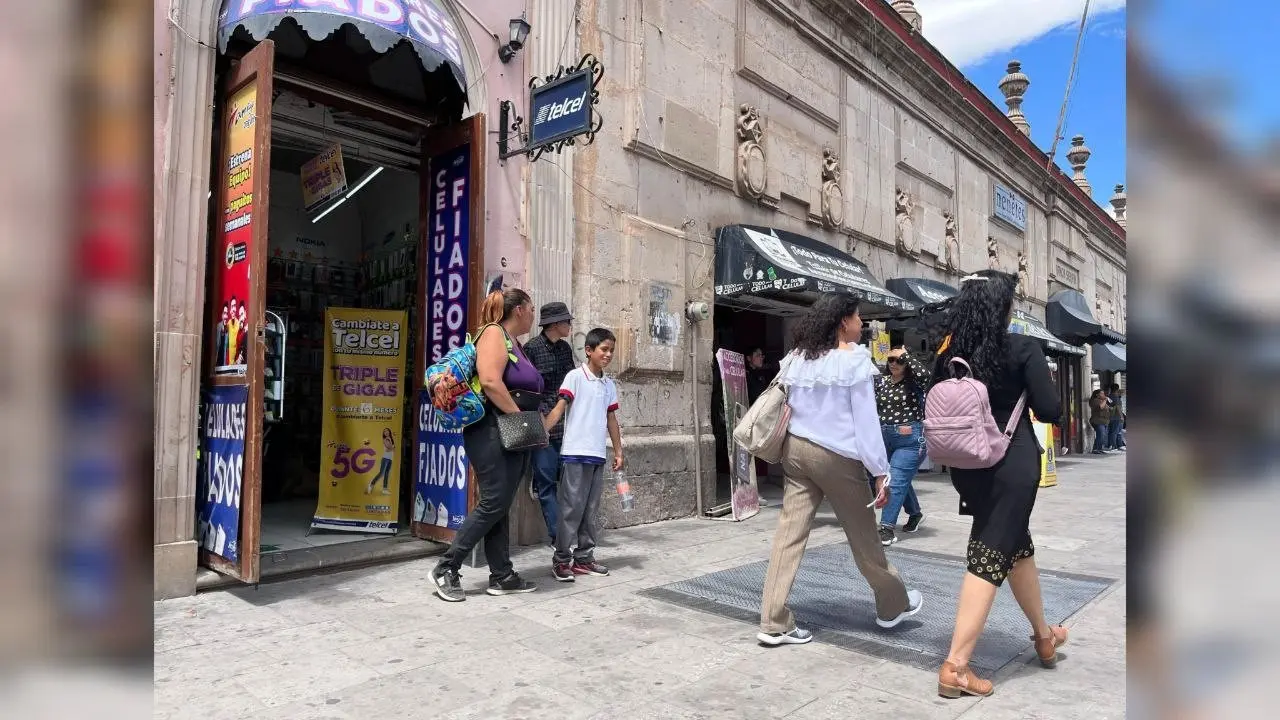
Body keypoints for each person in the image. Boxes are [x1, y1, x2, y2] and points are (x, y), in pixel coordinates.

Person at [757, 292, 923, 647]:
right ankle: (893, 605)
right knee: (864, 539)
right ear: (842, 321)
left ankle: (773, 620)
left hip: (796, 452)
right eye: (858, 317)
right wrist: (881, 471)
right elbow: (865, 423)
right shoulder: (854, 362)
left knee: (789, 535)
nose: (862, 324)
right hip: (837, 457)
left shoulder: (797, 358)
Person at [930, 270, 1066, 698]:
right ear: (1002, 308)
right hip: (1011, 466)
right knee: (989, 553)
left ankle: (1044, 636)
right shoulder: (1022, 348)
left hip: (966, 468)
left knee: (1015, 548)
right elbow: (1050, 411)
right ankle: (956, 665)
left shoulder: (947, 355)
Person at [431, 288, 544, 602]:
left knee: (501, 504)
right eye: (532, 308)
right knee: (494, 501)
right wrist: (521, 418)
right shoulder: (494, 334)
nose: (534, 314)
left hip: (508, 430)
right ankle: (446, 567)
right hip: (492, 429)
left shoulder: (515, 344)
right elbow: (491, 381)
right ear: (519, 310)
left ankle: (502, 575)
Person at [542, 328, 623, 581]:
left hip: (597, 455)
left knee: (590, 510)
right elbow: (559, 407)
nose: (608, 354)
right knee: (570, 509)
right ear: (589, 350)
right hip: (574, 455)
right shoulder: (575, 377)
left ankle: (584, 558)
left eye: (611, 350)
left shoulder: (608, 384)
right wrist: (542, 431)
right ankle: (561, 559)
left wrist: (619, 451)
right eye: (603, 349)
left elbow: (611, 418)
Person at [524, 301, 576, 546]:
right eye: (567, 321)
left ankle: (566, 530)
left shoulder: (565, 349)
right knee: (545, 482)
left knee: (564, 483)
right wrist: (543, 414)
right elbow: (526, 388)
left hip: (565, 422)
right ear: (555, 324)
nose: (570, 325)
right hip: (541, 421)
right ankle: (558, 537)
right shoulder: (531, 349)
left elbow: (572, 382)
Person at [875, 346, 929, 546]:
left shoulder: (915, 382)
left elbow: (926, 374)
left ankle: (887, 528)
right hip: (884, 438)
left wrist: (906, 355)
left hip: (909, 440)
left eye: (898, 360)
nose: (894, 363)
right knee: (899, 478)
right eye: (890, 360)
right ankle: (915, 513)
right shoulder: (882, 383)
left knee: (894, 481)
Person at [365, 428, 395, 495]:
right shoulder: (385, 439)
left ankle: (384, 489)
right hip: (385, 459)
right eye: (384, 432)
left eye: (387, 431)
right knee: (381, 473)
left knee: (387, 474)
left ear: (389, 432)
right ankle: (371, 484)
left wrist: (391, 447)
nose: (386, 432)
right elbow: (388, 449)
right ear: (383, 434)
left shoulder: (391, 439)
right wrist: (391, 447)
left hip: (390, 459)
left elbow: (392, 449)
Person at [1090, 389, 1112, 455]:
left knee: (1101, 435)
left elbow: (1109, 408)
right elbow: (1100, 407)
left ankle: (1098, 448)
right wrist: (1105, 400)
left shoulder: (1102, 401)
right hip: (1098, 421)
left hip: (1104, 421)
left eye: (1103, 393)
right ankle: (1096, 449)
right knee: (1101, 435)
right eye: (1101, 393)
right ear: (1097, 395)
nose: (1103, 395)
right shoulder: (1095, 401)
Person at [1107, 383, 1126, 450]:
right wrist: (1121, 416)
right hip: (1116, 417)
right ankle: (1113, 446)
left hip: (1109, 417)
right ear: (1117, 389)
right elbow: (1118, 408)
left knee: (1111, 432)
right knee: (1115, 432)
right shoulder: (1116, 397)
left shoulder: (1109, 396)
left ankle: (1110, 445)